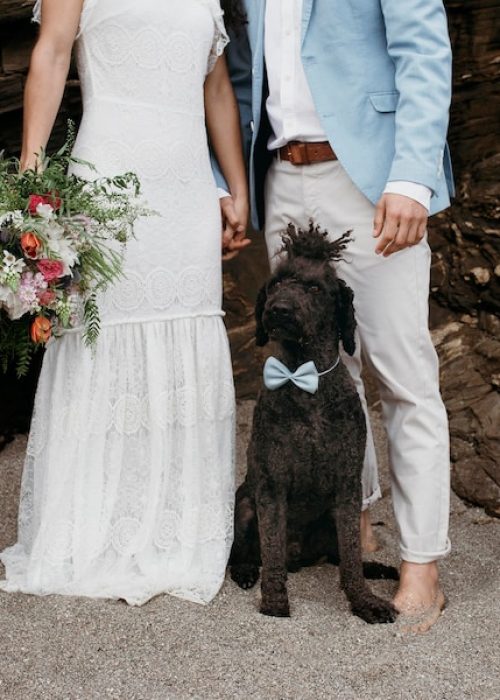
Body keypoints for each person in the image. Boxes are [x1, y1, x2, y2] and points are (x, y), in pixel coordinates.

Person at [0, 0, 249, 606]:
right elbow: (53, 54)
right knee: (101, 336)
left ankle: (177, 527)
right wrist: (31, 177)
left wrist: (235, 184)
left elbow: (214, 82)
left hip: (187, 182)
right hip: (107, 178)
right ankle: (93, 527)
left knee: (182, 326)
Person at [217, 0, 454, 633]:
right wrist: (230, 183)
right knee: (321, 371)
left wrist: (412, 178)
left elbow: (424, 51)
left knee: (404, 373)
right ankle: (357, 523)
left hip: (371, 178)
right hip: (281, 176)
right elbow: (240, 77)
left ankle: (423, 563)